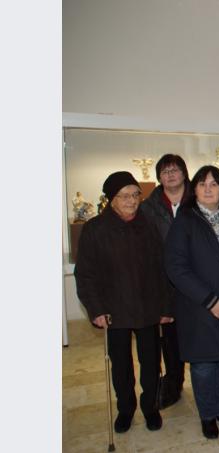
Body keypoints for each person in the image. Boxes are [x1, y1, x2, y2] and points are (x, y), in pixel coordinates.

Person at [75, 171, 172, 434]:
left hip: (148, 308)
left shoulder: (148, 224)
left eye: (135, 194)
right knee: (121, 366)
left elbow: (163, 268)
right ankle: (125, 409)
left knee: (151, 363)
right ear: (111, 199)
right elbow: (85, 274)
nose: (131, 200)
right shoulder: (95, 229)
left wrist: (165, 307)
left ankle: (150, 408)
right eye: (124, 195)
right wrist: (96, 310)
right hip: (113, 310)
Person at [164, 166, 219, 439]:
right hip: (198, 307)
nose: (209, 188)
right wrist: (211, 301)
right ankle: (207, 415)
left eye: (214, 184)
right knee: (202, 366)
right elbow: (176, 268)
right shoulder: (185, 221)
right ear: (195, 189)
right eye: (203, 184)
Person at [140, 153, 191, 409]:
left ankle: (206, 385)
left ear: (184, 173)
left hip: (195, 282)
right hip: (164, 284)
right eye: (165, 171)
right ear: (159, 177)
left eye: (175, 170)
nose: (170, 175)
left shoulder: (198, 200)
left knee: (198, 336)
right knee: (170, 341)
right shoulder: (149, 207)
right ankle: (173, 384)